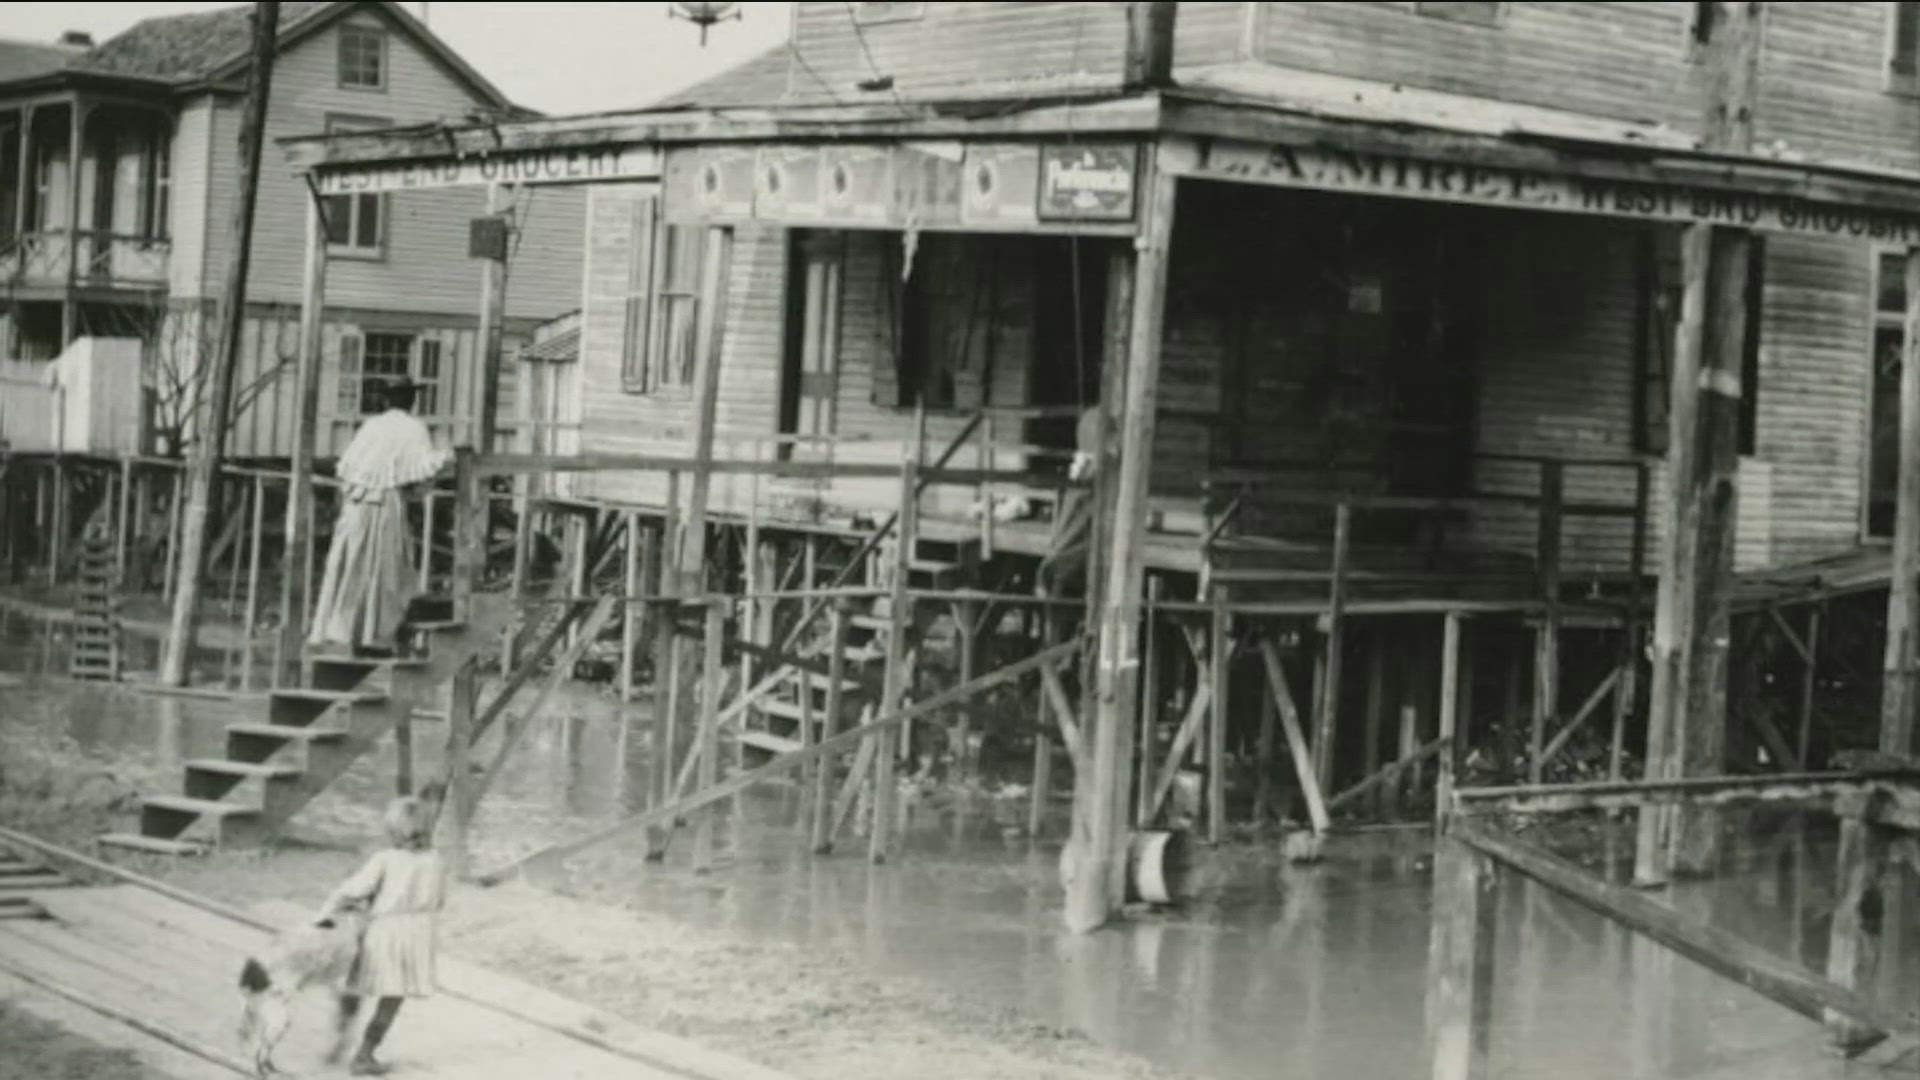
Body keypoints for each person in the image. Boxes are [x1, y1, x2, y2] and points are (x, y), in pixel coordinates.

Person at [307, 379, 451, 656]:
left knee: (351, 561)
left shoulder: (372, 425)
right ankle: (375, 632)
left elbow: (350, 466)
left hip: (356, 503)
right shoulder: (414, 427)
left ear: (387, 400)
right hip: (384, 501)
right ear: (409, 399)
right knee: (386, 563)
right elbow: (422, 468)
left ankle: (349, 631)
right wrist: (443, 462)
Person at [316, 786, 448, 1076]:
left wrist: (325, 914)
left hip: (384, 931)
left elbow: (353, 890)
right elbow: (439, 901)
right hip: (417, 936)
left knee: (357, 983)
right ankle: (365, 1054)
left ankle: (342, 1032)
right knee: (392, 998)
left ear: (393, 829)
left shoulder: (386, 858)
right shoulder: (436, 860)